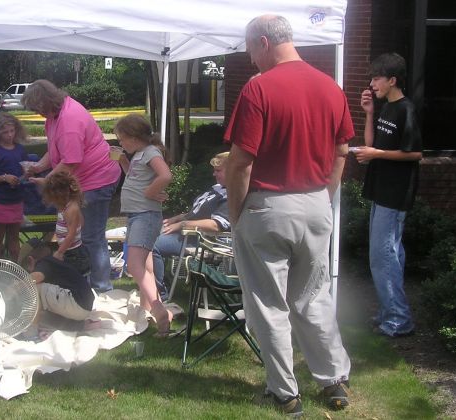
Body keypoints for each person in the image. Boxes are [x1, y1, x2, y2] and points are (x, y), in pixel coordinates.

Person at [224, 15, 353, 416]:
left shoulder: (259, 89)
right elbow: (342, 152)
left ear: (263, 42)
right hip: (316, 202)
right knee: (314, 296)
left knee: (268, 303)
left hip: (268, 206)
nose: (250, 58)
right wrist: (323, 196)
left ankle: (285, 392)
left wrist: (237, 213)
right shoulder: (331, 87)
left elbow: (241, 161)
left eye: (250, 49)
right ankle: (333, 379)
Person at [22, 80, 121, 293]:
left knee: (91, 237)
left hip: (98, 179)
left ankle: (102, 288)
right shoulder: (54, 116)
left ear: (48, 102)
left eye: (39, 108)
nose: (38, 113)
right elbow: (55, 149)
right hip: (83, 180)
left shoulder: (69, 120)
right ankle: (86, 284)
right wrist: (39, 166)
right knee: (82, 236)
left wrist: (48, 181)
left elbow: (71, 161)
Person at [356, 52, 423, 340]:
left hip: (394, 195)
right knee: (388, 254)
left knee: (383, 256)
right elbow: (372, 145)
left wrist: (377, 154)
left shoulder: (406, 109)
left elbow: (416, 153)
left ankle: (398, 319)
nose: (372, 84)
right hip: (380, 190)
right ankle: (388, 312)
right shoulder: (386, 108)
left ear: (392, 80)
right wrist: (370, 113)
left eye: (377, 79)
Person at [111, 114, 173, 336]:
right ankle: (148, 307)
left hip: (145, 216)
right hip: (138, 216)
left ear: (135, 137)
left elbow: (165, 175)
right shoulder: (138, 155)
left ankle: (158, 308)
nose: (120, 143)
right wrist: (124, 162)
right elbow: (135, 178)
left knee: (133, 265)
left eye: (122, 139)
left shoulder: (151, 152)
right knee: (145, 266)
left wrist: (151, 192)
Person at [151, 151, 231, 300]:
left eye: (218, 170)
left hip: (204, 241)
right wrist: (176, 218)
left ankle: (159, 294)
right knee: (144, 237)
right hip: (187, 234)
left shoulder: (232, 195)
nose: (214, 174)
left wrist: (182, 224)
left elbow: (216, 225)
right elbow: (196, 212)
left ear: (233, 171)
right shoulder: (217, 189)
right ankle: (157, 285)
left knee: (151, 245)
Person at [0, 113, 29, 261]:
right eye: (5, 132)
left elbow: (24, 170)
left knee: (14, 235)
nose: (9, 135)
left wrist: (27, 174)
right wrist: (4, 178)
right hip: (1, 201)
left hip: (17, 199)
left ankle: (14, 265)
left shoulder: (20, 150)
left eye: (12, 131)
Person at [26, 241, 95, 329]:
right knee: (43, 311)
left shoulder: (44, 263)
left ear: (30, 260)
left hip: (77, 304)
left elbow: (36, 277)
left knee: (34, 289)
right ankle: (76, 326)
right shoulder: (55, 263)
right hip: (85, 305)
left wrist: (12, 288)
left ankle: (31, 332)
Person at [41, 172, 90, 276]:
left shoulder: (70, 209)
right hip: (70, 251)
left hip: (73, 255)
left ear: (59, 195)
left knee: (71, 281)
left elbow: (71, 235)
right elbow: (82, 223)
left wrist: (59, 252)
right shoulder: (67, 206)